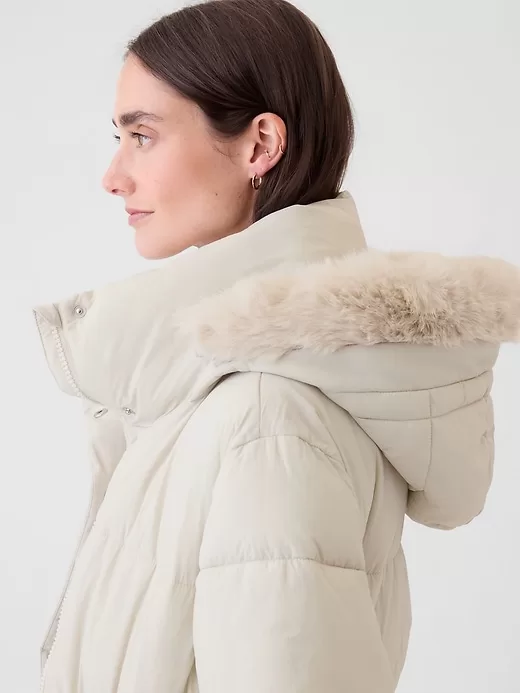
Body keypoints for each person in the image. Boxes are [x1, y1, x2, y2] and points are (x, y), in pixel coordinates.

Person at [33, 1, 520, 691]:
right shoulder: (227, 386)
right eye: (120, 136)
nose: (113, 175)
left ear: (259, 145)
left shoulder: (267, 416)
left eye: (142, 136)